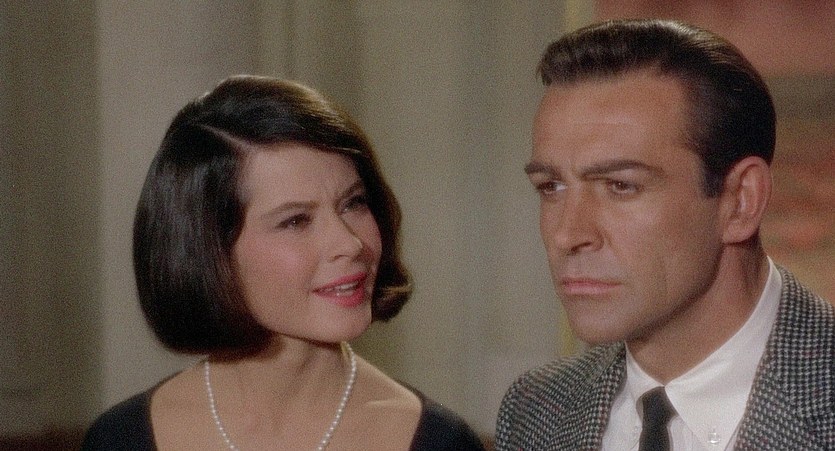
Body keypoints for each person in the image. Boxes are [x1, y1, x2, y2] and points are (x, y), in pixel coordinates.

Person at [82, 75, 485, 451]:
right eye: (296, 221)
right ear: (207, 249)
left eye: (354, 203)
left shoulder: (440, 441)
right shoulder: (120, 439)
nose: (349, 244)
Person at [496, 18, 834, 450]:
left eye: (621, 186)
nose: (567, 235)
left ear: (741, 201)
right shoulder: (536, 410)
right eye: (551, 187)